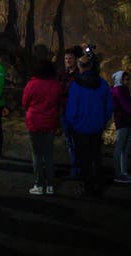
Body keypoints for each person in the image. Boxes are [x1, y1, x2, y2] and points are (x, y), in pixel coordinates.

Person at [63, 54, 113, 196]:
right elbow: (109, 106)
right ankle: (98, 184)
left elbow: (72, 108)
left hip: (80, 128)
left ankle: (88, 186)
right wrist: (103, 120)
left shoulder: (76, 85)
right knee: (96, 155)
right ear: (91, 66)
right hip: (97, 126)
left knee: (84, 158)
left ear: (79, 66)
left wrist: (71, 123)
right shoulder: (102, 83)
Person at [22, 60, 64, 195]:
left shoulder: (32, 84)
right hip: (50, 122)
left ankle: (39, 184)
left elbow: (25, 102)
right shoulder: (56, 85)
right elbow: (59, 102)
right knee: (49, 154)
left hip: (34, 122)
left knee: (37, 154)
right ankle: (50, 185)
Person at [61, 45, 82, 176]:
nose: (68, 61)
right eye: (66, 58)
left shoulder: (79, 76)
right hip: (65, 113)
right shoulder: (63, 75)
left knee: (77, 142)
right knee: (70, 143)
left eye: (70, 58)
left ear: (76, 60)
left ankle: (79, 168)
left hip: (76, 114)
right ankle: (75, 167)